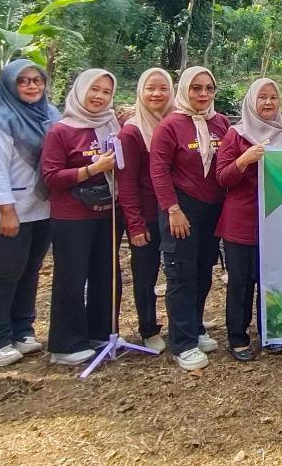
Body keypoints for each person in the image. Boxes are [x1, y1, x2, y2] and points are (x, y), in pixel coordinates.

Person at [0, 59, 60, 367]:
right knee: (6, 273)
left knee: (30, 269)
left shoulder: (50, 116)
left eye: (37, 80)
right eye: (23, 81)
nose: (32, 86)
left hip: (41, 209)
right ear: (10, 85)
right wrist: (6, 211)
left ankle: (22, 329)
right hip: (7, 212)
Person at [150, 66, 231, 371]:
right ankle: (182, 343)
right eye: (196, 88)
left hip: (212, 209)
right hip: (181, 209)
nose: (203, 94)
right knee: (180, 274)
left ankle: (195, 328)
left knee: (202, 271)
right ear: (184, 90)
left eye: (208, 88)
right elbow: (158, 170)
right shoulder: (171, 125)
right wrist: (172, 209)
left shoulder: (220, 123)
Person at [40, 69, 121, 366]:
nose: (99, 97)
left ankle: (101, 332)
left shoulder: (111, 125)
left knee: (105, 274)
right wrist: (91, 169)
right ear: (80, 91)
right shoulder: (61, 130)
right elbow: (51, 176)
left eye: (106, 92)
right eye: (94, 90)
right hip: (72, 216)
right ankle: (66, 343)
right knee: (71, 279)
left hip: (106, 212)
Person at [216, 78, 282, 360]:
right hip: (241, 220)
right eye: (262, 97)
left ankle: (270, 331)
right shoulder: (236, 135)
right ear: (251, 101)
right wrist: (244, 159)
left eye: (273, 97)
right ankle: (238, 338)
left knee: (270, 278)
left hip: (276, 219)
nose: (268, 102)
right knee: (240, 281)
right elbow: (222, 177)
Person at [117, 68, 174, 353]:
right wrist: (135, 224)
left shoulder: (178, 123)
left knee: (177, 272)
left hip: (176, 212)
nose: (157, 94)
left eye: (163, 88)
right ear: (141, 91)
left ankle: (183, 323)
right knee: (145, 274)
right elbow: (126, 183)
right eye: (151, 88)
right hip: (148, 214)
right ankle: (148, 328)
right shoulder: (132, 131)